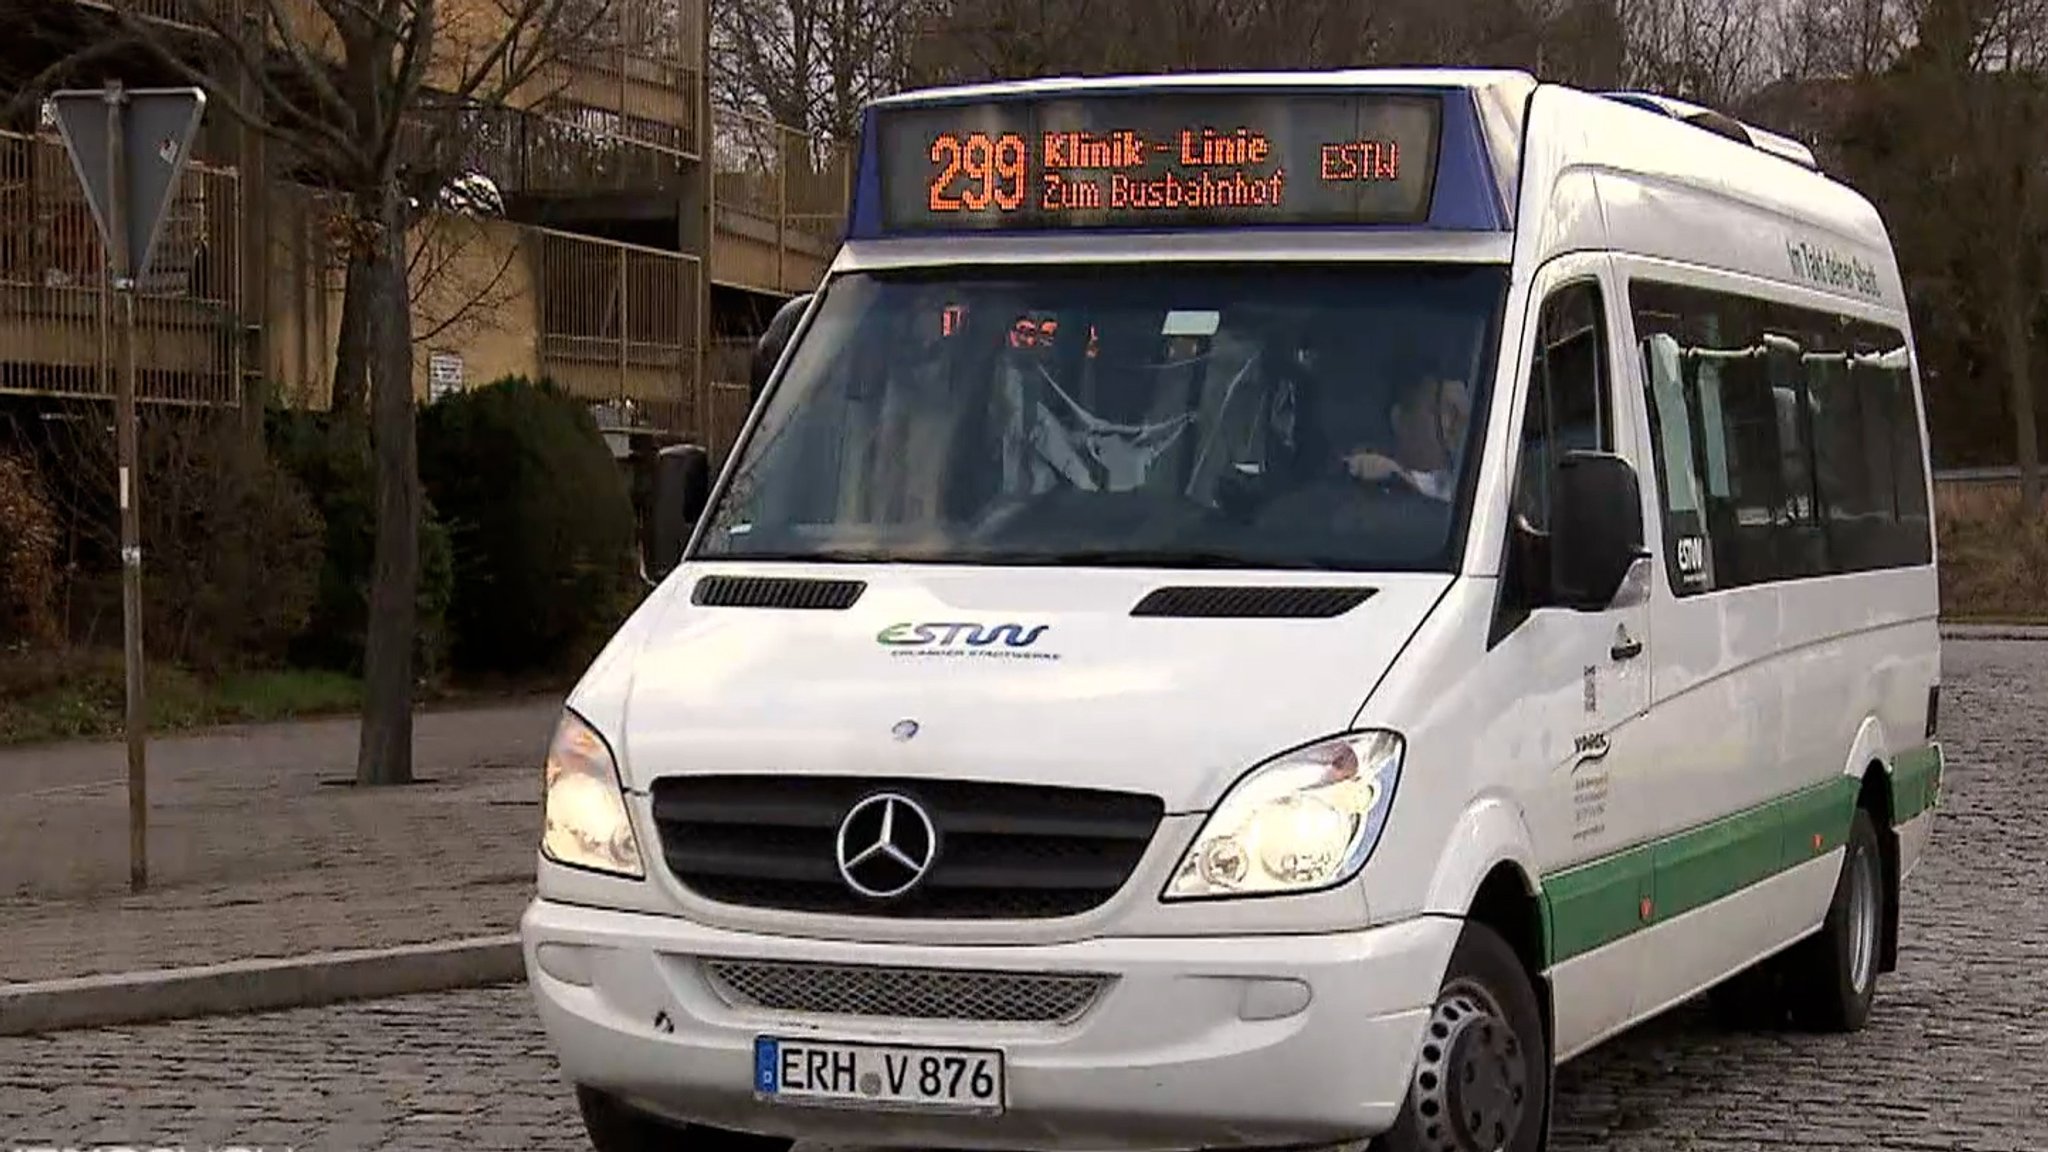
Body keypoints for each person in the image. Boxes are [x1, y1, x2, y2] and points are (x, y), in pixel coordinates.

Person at [1342, 371, 1472, 501]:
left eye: (1453, 411)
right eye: (1436, 410)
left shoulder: (1465, 477)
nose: (1448, 423)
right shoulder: (1376, 485)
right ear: (1400, 419)